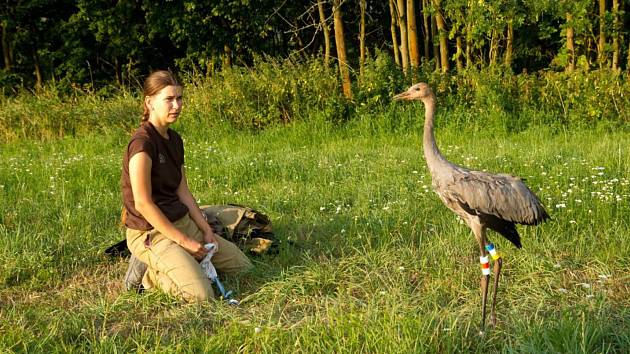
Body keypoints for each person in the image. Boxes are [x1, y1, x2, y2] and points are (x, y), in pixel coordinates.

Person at [120, 70, 252, 302]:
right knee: (201, 296)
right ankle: (150, 277)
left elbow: (183, 191)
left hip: (181, 222)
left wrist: (205, 229)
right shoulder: (142, 144)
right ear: (149, 102)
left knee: (243, 267)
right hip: (151, 232)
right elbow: (143, 203)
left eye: (179, 98)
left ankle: (180, 263)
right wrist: (185, 242)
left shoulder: (175, 139)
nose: (176, 105)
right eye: (169, 99)